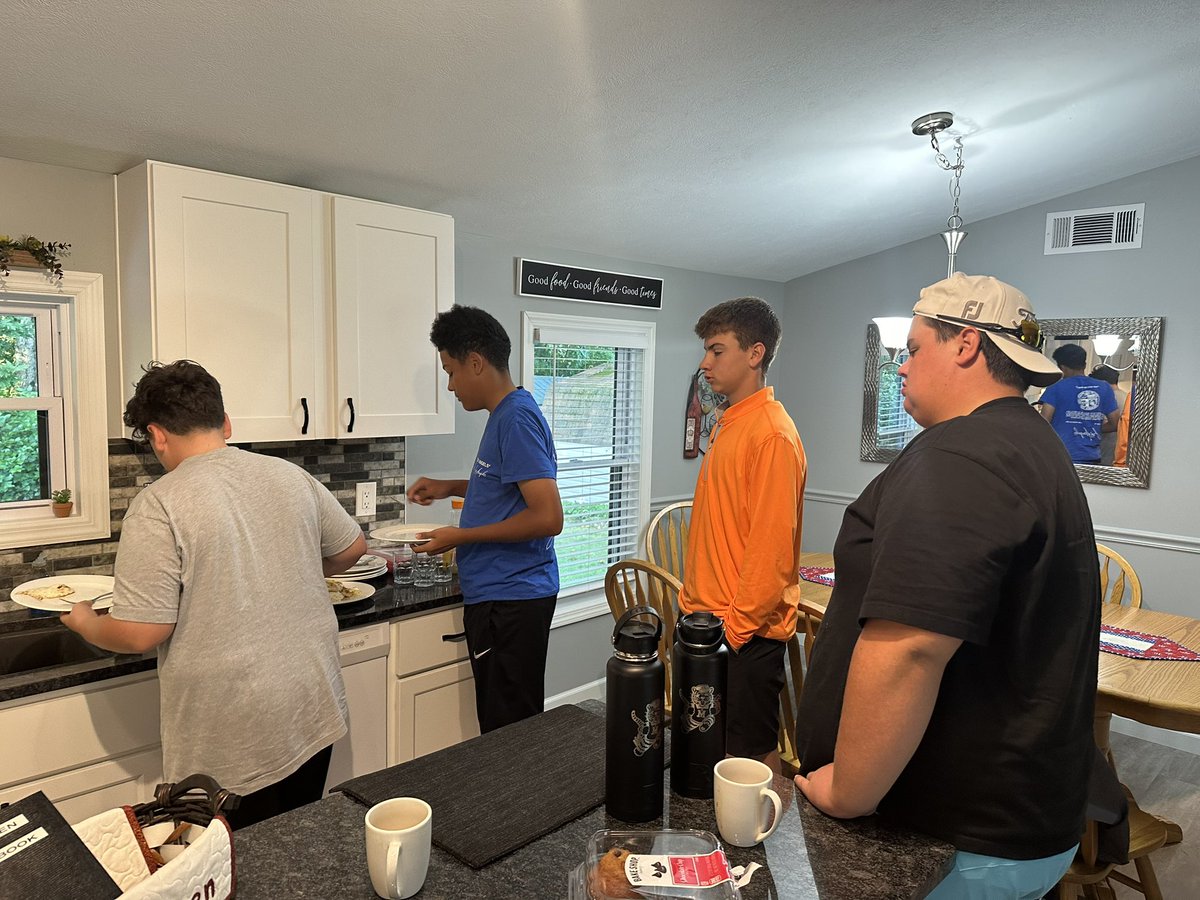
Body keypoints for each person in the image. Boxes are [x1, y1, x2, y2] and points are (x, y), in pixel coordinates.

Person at [795, 273, 1100, 898]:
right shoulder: (1031, 443)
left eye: (912, 349)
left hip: (953, 839)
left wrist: (848, 790)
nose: (902, 368)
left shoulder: (957, 457)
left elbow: (911, 648)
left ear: (965, 343)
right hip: (1017, 818)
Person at [62, 360, 366, 829]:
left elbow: (142, 631)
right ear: (226, 422)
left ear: (157, 435)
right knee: (299, 849)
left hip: (234, 738)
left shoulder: (160, 503)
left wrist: (83, 620)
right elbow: (352, 548)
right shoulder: (288, 475)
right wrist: (287, 568)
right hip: (311, 705)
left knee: (233, 866)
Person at [406, 305, 563, 734]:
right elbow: (506, 489)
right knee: (504, 727)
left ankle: (519, 804)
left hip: (511, 599)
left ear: (476, 362)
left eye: (452, 371)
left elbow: (548, 517)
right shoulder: (506, 414)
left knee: (507, 733)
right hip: (504, 595)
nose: (451, 385)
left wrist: (460, 535)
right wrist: (452, 486)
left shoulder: (515, 418)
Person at [679, 296, 806, 774]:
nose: (705, 363)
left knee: (750, 762)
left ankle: (764, 850)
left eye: (716, 350)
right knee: (711, 761)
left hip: (744, 637)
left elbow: (770, 554)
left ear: (755, 354)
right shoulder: (730, 423)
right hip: (707, 624)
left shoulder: (772, 434)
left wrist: (730, 635)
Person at [1039, 343, 1119, 464]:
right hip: (1091, 456)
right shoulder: (1104, 387)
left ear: (1062, 367)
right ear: (1084, 365)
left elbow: (1044, 423)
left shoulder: (1055, 388)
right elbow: (1115, 424)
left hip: (1061, 456)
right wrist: (1091, 426)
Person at [1089, 364, 1127, 466]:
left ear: (1103, 382)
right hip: (1120, 454)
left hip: (1104, 452)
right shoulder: (1126, 397)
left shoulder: (1104, 397)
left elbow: (1109, 425)